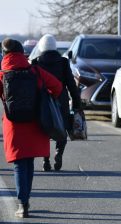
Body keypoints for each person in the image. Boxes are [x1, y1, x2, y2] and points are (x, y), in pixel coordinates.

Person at [0, 38, 62, 218]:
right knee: (29, 162)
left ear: (4, 54)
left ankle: (22, 204)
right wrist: (45, 96)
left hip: (13, 125)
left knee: (19, 164)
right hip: (35, 123)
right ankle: (25, 201)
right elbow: (57, 86)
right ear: (21, 52)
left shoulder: (2, 75)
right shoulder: (36, 72)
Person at [31, 34, 81, 171]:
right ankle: (58, 153)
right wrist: (77, 103)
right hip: (61, 100)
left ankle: (45, 159)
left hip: (42, 102)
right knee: (62, 128)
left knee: (44, 130)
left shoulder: (36, 62)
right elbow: (71, 85)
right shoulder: (64, 62)